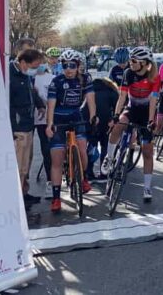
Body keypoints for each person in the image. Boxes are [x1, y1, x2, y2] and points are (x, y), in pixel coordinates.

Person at [102, 46, 158, 202]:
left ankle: (147, 187)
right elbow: (122, 96)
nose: (130, 63)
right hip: (131, 108)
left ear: (144, 63)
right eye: (130, 60)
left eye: (133, 61)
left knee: (147, 152)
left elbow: (153, 101)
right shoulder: (128, 73)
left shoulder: (154, 77)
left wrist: (152, 120)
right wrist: (115, 115)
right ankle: (109, 157)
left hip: (146, 113)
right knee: (118, 125)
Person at [46, 50, 98, 213]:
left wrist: (93, 116)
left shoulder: (85, 79)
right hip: (59, 118)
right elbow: (51, 104)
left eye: (72, 66)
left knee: (82, 148)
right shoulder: (57, 81)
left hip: (77, 116)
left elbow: (90, 99)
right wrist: (49, 125)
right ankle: (56, 197)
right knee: (57, 159)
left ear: (78, 66)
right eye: (65, 66)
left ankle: (83, 178)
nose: (68, 69)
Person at [10, 49, 45, 209]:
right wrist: (11, 128)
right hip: (19, 128)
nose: (36, 69)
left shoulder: (25, 76)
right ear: (24, 62)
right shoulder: (10, 77)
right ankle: (16, 199)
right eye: (34, 65)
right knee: (20, 165)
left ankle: (24, 192)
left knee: (27, 163)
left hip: (28, 124)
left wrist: (39, 104)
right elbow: (8, 104)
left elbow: (31, 92)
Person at [33, 54, 55, 198]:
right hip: (39, 120)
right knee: (46, 151)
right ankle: (50, 181)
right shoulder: (30, 78)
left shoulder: (52, 78)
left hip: (52, 119)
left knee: (55, 150)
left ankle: (58, 177)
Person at [88, 77, 118, 180]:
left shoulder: (89, 90)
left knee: (91, 146)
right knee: (105, 146)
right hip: (106, 121)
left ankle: (89, 173)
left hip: (91, 120)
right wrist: (113, 120)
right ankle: (103, 173)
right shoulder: (111, 91)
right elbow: (116, 107)